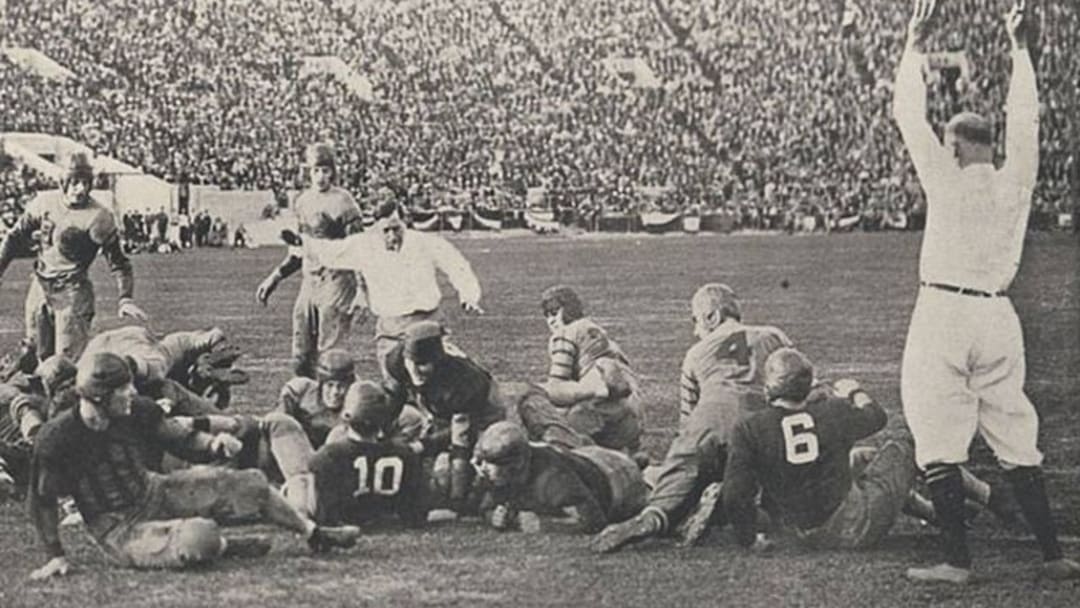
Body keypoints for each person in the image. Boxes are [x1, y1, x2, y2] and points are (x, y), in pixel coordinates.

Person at [894, 0, 1079, 583]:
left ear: (953, 146)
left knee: (938, 436)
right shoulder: (1014, 180)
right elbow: (1026, 121)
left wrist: (912, 44)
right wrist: (1021, 49)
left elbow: (907, 115)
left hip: (944, 310)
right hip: (999, 314)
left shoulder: (945, 178)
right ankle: (1053, 556)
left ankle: (956, 560)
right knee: (1016, 434)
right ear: (987, 145)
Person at [27, 353, 360, 579]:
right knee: (198, 537)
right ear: (98, 397)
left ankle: (313, 533)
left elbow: (179, 438)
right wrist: (54, 553)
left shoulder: (136, 410)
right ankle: (228, 547)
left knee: (253, 483)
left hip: (152, 489)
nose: (131, 393)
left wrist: (213, 444)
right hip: (116, 526)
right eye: (122, 389)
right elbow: (42, 501)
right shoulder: (58, 439)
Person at [723, 348, 1008, 553]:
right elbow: (877, 417)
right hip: (852, 527)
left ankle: (934, 513)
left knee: (860, 458)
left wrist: (749, 539)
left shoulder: (749, 428)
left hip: (797, 534)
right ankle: (993, 497)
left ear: (770, 386)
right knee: (909, 447)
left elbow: (736, 494)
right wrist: (854, 391)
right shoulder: (833, 411)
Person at [590, 284, 792, 553]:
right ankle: (734, 504)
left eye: (694, 320)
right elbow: (800, 385)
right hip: (761, 425)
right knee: (773, 486)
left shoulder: (695, 354)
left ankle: (655, 515)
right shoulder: (772, 336)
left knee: (680, 476)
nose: (694, 329)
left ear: (713, 317)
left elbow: (687, 421)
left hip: (707, 421)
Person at [296, 197, 483, 377]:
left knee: (434, 384)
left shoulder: (425, 243)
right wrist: (300, 243)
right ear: (376, 228)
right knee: (394, 387)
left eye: (396, 229)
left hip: (426, 324)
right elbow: (331, 252)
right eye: (386, 230)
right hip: (390, 330)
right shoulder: (365, 245)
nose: (392, 236)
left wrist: (469, 295)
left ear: (405, 223)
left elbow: (456, 264)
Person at [0, 153, 148, 362]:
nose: (80, 189)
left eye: (85, 183)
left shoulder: (99, 217)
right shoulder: (44, 202)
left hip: (72, 292)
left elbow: (119, 263)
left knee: (66, 363)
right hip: (40, 287)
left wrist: (125, 298)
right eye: (75, 182)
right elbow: (14, 236)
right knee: (33, 354)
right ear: (64, 182)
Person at [256, 144, 364, 378]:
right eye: (316, 170)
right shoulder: (303, 201)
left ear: (333, 172)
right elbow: (299, 250)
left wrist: (363, 291)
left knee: (331, 356)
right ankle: (307, 407)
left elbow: (359, 250)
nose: (321, 176)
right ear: (308, 172)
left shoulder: (344, 201)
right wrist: (274, 278)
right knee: (302, 356)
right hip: (311, 279)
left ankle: (347, 406)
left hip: (338, 279)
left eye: (326, 170)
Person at [384, 321, 505, 510]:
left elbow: (461, 441)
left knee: (456, 479)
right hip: (439, 409)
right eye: (412, 362)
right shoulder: (398, 360)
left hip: (482, 413)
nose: (415, 370)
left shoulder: (463, 379)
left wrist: (456, 501)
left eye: (423, 364)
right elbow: (390, 407)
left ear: (437, 361)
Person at [515, 285, 643, 453]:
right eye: (547, 315)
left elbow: (557, 387)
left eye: (554, 313)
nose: (551, 320)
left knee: (533, 399)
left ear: (568, 309)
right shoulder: (600, 334)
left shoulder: (565, 333)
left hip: (598, 408)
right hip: (632, 417)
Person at [473, 421, 647, 534]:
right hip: (582, 456)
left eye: (492, 463)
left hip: (618, 477)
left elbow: (593, 520)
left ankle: (648, 471)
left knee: (644, 478)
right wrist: (495, 515)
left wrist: (543, 524)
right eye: (483, 462)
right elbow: (486, 506)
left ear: (516, 466)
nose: (484, 469)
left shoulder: (553, 480)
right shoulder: (495, 474)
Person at [310, 381, 429, 528]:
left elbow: (324, 514)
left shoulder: (329, 455)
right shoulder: (406, 453)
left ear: (347, 415)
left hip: (346, 517)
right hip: (386, 516)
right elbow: (417, 513)